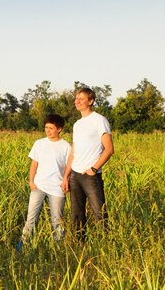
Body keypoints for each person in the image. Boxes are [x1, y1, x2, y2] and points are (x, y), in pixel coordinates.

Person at [61, 87, 114, 240]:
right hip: (75, 175)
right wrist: (66, 176)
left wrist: (94, 169)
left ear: (90, 101)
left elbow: (109, 149)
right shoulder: (77, 124)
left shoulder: (99, 120)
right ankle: (79, 245)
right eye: (76, 98)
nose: (77, 101)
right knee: (76, 215)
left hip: (91, 176)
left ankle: (107, 245)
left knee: (99, 213)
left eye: (81, 98)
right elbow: (73, 151)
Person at [17, 114, 71, 251]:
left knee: (57, 219)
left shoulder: (66, 146)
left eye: (51, 128)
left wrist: (66, 181)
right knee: (31, 217)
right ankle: (23, 244)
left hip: (57, 188)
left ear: (59, 129)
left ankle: (58, 248)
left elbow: (68, 168)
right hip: (38, 186)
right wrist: (31, 181)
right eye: (46, 127)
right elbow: (34, 164)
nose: (48, 130)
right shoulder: (39, 143)